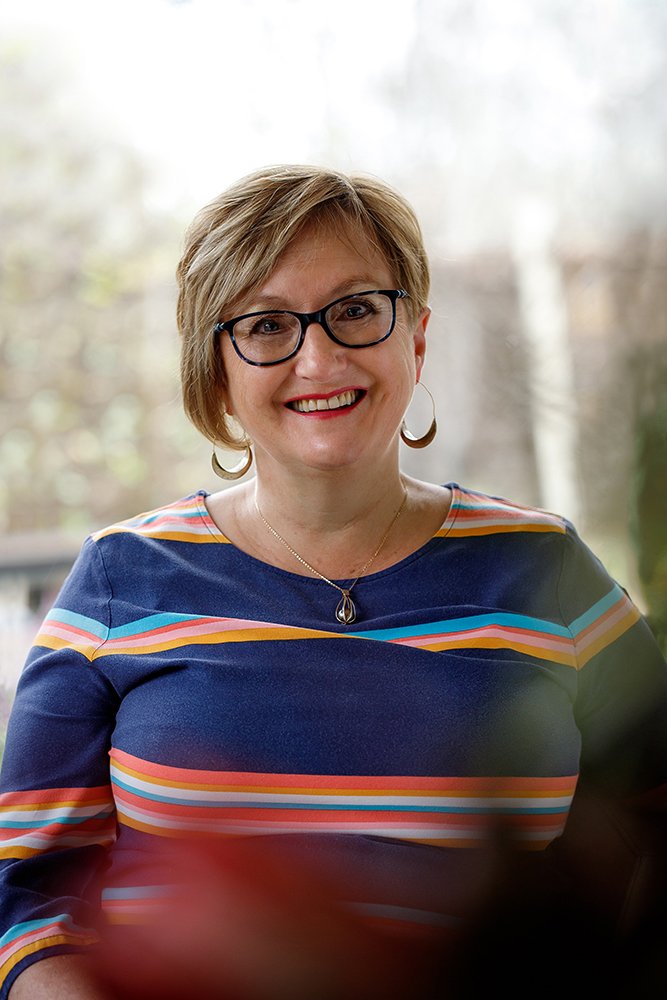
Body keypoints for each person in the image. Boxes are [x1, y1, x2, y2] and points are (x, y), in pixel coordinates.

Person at [1, 165, 666, 1000]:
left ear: (414, 338)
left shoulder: (546, 570)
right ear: (217, 371)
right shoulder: (118, 578)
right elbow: (26, 899)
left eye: (354, 311)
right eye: (268, 324)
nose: (318, 357)